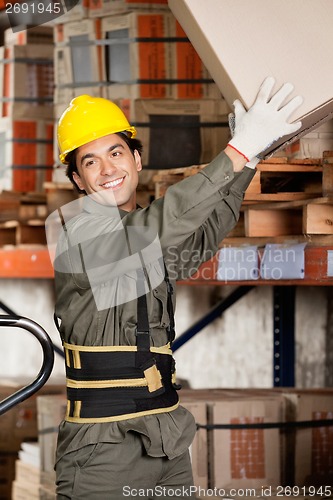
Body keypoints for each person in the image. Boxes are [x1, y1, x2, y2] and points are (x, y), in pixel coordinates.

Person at [51, 76, 303, 499]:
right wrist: (235, 153)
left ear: (136, 158)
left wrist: (250, 160)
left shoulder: (145, 235)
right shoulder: (80, 236)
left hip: (165, 436)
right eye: (90, 161)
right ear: (78, 180)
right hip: (102, 449)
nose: (108, 169)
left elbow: (199, 239)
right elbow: (160, 227)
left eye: (115, 152)